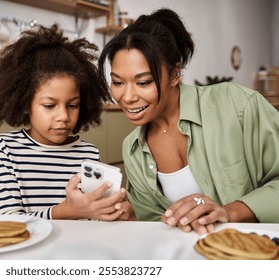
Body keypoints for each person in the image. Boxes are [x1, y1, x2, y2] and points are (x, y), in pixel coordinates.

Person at [98, 8, 279, 234]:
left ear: (175, 75)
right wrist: (127, 215)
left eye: (143, 82)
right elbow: (156, 229)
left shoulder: (237, 105)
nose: (127, 97)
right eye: (118, 83)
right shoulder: (133, 150)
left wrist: (230, 212)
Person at [0, 23, 132, 221]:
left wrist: (111, 212)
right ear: (25, 104)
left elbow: (92, 217)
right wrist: (64, 212)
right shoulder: (4, 149)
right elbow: (8, 220)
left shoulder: (88, 153)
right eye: (49, 105)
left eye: (72, 105)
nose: (63, 116)